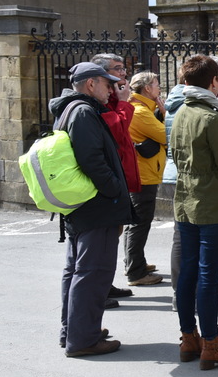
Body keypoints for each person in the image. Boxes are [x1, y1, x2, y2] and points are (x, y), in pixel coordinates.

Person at [171, 55, 218, 370]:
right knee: (206, 275)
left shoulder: (181, 113)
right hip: (213, 206)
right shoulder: (211, 117)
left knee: (188, 273)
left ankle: (189, 337)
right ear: (214, 81)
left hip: (186, 201)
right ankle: (211, 343)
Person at [52, 62, 133, 356]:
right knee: (92, 272)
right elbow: (92, 159)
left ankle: (74, 331)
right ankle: (83, 340)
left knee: (77, 270)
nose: (111, 88)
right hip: (97, 206)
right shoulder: (84, 112)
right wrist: (114, 188)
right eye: (106, 83)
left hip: (84, 205)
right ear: (90, 84)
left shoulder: (71, 109)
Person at [92, 53, 152, 296]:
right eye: (118, 69)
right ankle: (99, 288)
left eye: (123, 68)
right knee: (103, 237)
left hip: (120, 176)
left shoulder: (111, 98)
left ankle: (105, 283)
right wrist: (124, 101)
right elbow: (115, 129)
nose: (123, 73)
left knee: (114, 233)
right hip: (108, 180)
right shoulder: (100, 101)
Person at [123, 71, 167, 287]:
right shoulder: (140, 112)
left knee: (136, 223)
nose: (159, 88)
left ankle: (134, 262)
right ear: (147, 88)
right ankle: (135, 271)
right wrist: (165, 113)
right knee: (140, 223)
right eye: (156, 84)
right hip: (144, 175)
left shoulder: (143, 109)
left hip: (144, 172)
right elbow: (166, 135)